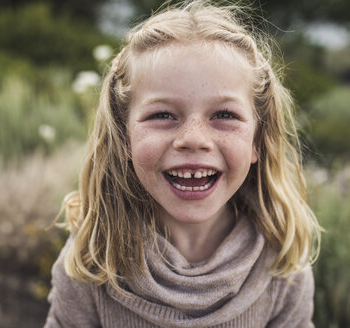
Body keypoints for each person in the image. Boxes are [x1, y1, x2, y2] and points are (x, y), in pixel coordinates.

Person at [44, 1, 322, 327]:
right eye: (162, 115)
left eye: (224, 115)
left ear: (257, 140)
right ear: (123, 136)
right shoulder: (89, 263)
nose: (193, 139)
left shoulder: (284, 269)